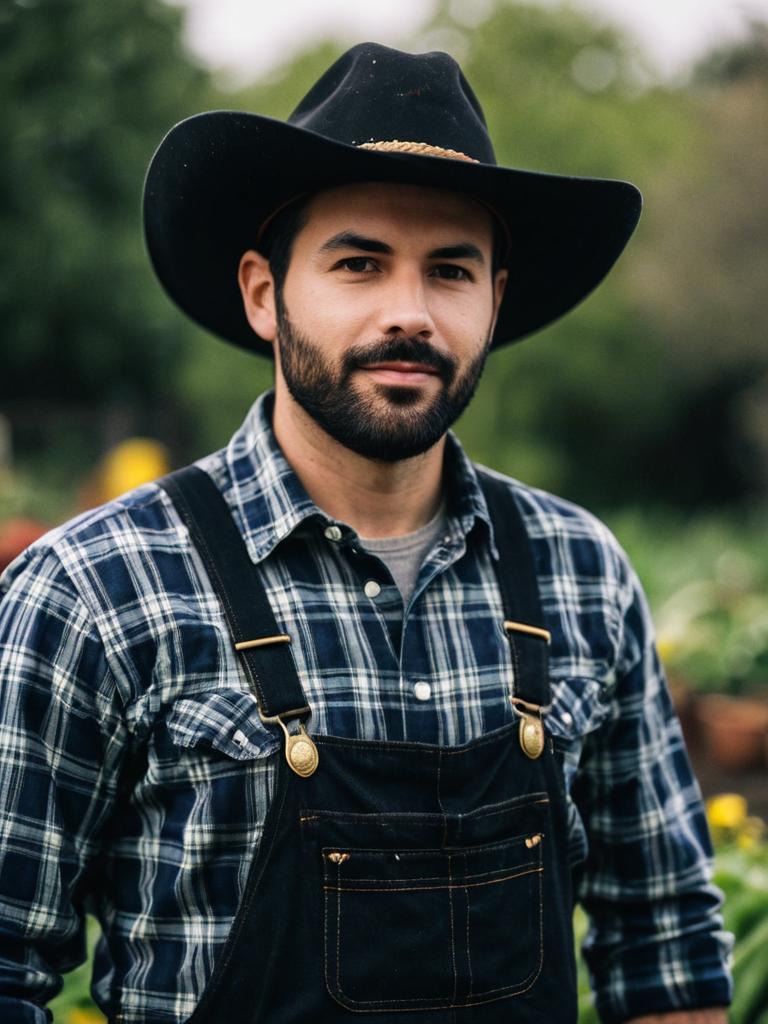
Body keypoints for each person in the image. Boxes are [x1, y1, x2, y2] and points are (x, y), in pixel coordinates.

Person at [0, 42, 732, 1024]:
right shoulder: (95, 589)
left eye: (451, 271)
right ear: (264, 293)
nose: (409, 314)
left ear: (495, 300)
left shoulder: (581, 573)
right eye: (359, 264)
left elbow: (665, 947)